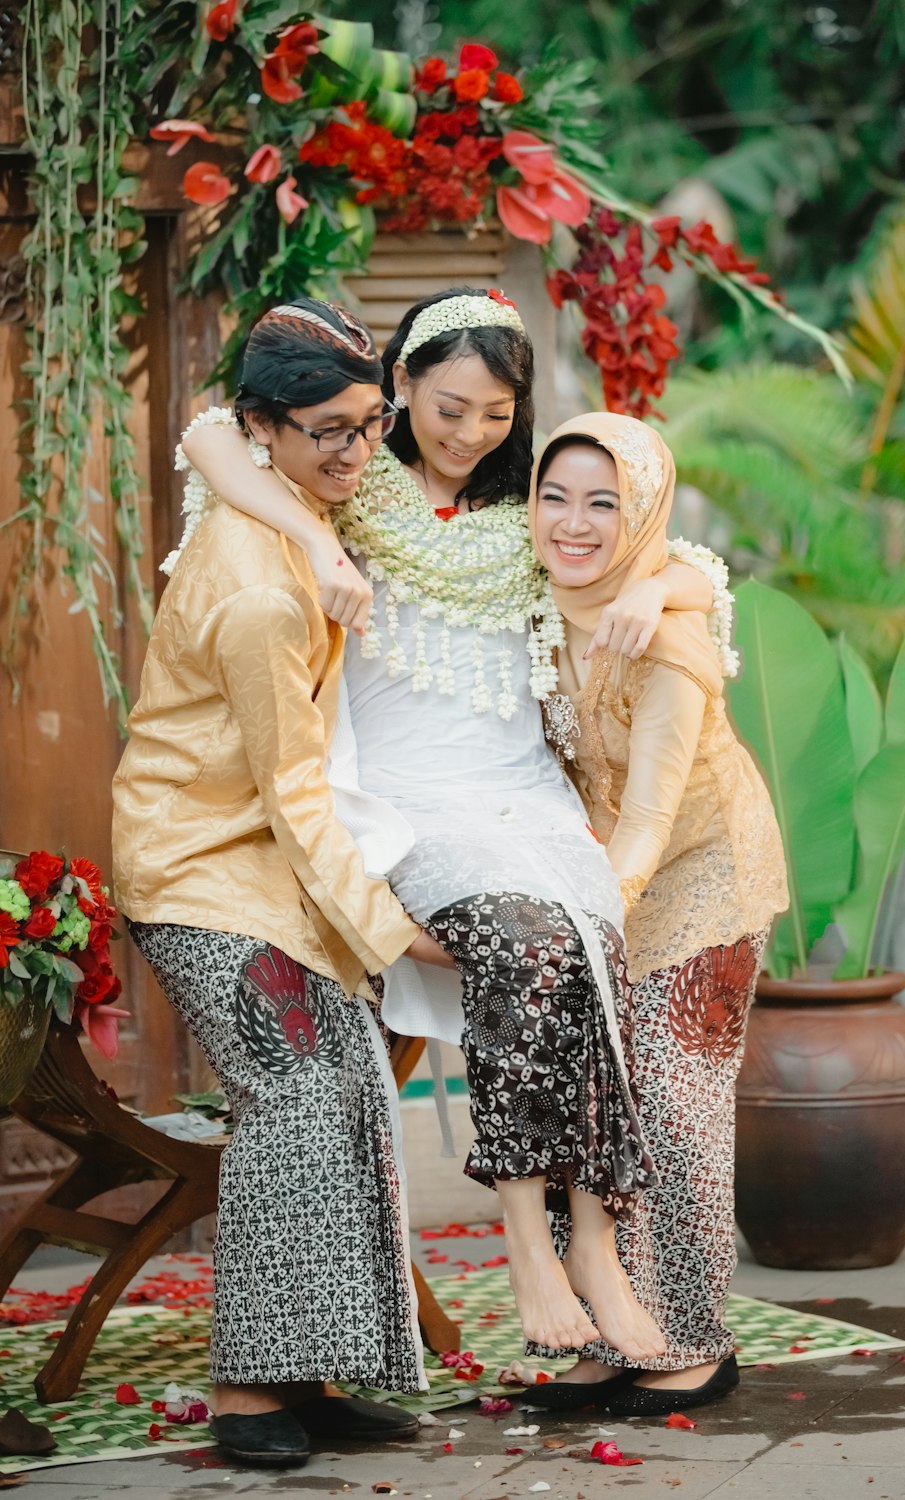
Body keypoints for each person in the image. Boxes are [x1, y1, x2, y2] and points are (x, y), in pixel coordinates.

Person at [177, 287, 718, 1364]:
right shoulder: (343, 488)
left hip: (525, 793)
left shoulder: (531, 515)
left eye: (495, 412)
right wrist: (318, 547)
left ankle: (597, 1251)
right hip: (404, 803)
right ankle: (527, 1239)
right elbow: (206, 437)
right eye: (448, 405)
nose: (471, 431)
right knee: (523, 944)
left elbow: (679, 560)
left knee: (587, 952)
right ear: (402, 389)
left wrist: (657, 594)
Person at [112, 300, 455, 1470]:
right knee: (298, 1094)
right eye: (329, 433)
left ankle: (312, 1374)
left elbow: (214, 434)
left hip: (264, 866)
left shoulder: (292, 507)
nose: (358, 454)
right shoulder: (262, 587)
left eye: (371, 426)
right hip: (201, 870)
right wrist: (389, 929)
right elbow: (293, 791)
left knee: (352, 1088)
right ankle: (250, 1393)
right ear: (266, 428)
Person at [524, 412, 788, 1415]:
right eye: (555, 496)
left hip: (703, 878)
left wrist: (588, 924)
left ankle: (688, 1339)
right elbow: (699, 567)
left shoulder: (670, 645)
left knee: (672, 1099)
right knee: (582, 1098)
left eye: (606, 503)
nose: (574, 522)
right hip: (600, 877)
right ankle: (601, 1329)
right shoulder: (537, 603)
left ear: (641, 516)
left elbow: (646, 825)